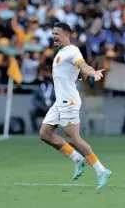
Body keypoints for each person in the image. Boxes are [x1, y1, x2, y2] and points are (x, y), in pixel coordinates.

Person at [39, 22, 111, 189]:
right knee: (45, 134)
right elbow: (78, 72)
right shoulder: (62, 53)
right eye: (52, 33)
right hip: (60, 101)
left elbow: (82, 65)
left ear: (66, 35)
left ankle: (101, 170)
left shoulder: (72, 51)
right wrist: (84, 74)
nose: (54, 36)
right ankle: (77, 159)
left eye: (57, 33)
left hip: (68, 101)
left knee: (74, 138)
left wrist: (92, 72)